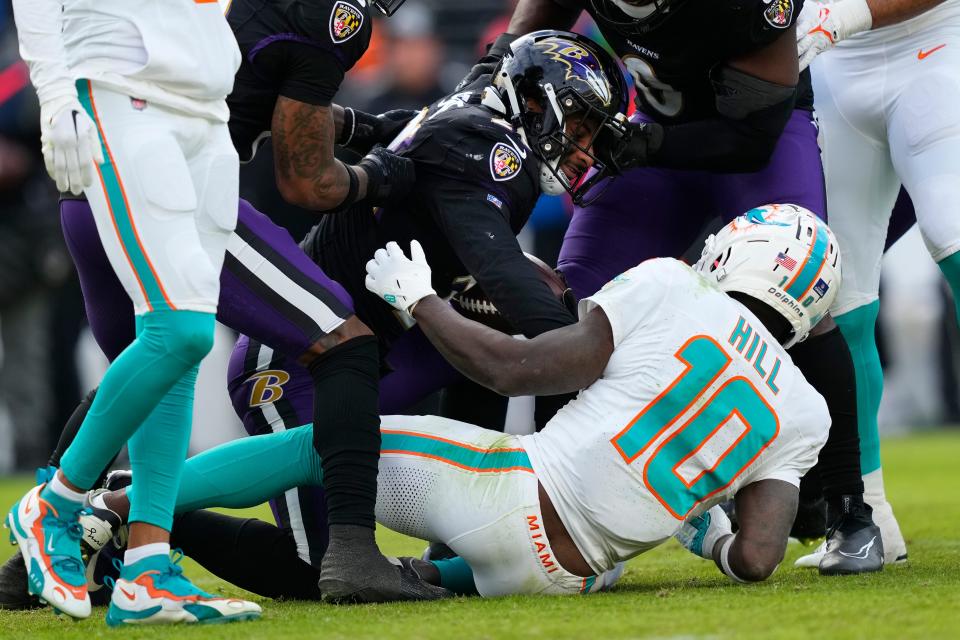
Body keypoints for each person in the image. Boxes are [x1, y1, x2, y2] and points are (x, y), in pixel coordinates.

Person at [0, 30, 629, 605]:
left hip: (375, 347)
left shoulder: (469, 118)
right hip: (298, 359)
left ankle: (453, 542)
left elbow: (399, 133)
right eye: (577, 123)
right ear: (535, 100)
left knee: (477, 345)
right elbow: (525, 301)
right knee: (316, 557)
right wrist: (615, 339)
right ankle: (127, 507)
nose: (583, 147)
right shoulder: (487, 147)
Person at [90, 204, 841, 596]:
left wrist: (420, 301)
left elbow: (518, 372)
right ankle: (422, 577)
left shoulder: (674, 285)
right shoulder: (808, 411)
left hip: (508, 495)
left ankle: (121, 507)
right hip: (569, 577)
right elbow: (755, 558)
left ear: (739, 251)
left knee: (325, 445)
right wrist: (699, 531)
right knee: (527, 563)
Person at [468, 0, 883, 574]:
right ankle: (556, 511)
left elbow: (752, 140)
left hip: (751, 139)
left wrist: (645, 147)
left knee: (804, 302)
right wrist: (498, 57)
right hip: (653, 133)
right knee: (565, 306)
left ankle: (851, 515)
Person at [6, 0, 262, 625]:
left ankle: (147, 569)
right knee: (180, 330)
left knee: (179, 342)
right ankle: (56, 503)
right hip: (123, 84)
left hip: (204, 100)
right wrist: (54, 91)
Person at [791, 0, 959, 568]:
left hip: (934, 45)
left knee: (952, 233)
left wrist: (850, 14)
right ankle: (868, 516)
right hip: (834, 70)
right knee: (838, 296)